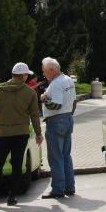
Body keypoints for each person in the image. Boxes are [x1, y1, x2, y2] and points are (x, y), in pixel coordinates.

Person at [0, 63, 43, 207]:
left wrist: (2, 114)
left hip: (2, 133)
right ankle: (12, 197)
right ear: (22, 76)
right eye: (26, 75)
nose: (27, 77)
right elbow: (35, 115)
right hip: (21, 134)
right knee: (17, 165)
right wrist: (39, 134)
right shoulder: (30, 93)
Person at [40, 57, 76, 198]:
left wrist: (44, 98)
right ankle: (69, 187)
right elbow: (73, 101)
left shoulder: (55, 84)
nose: (43, 74)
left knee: (55, 157)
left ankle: (58, 189)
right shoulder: (68, 80)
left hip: (56, 120)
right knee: (66, 155)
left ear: (52, 70)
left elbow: (55, 105)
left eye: (44, 71)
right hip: (68, 118)